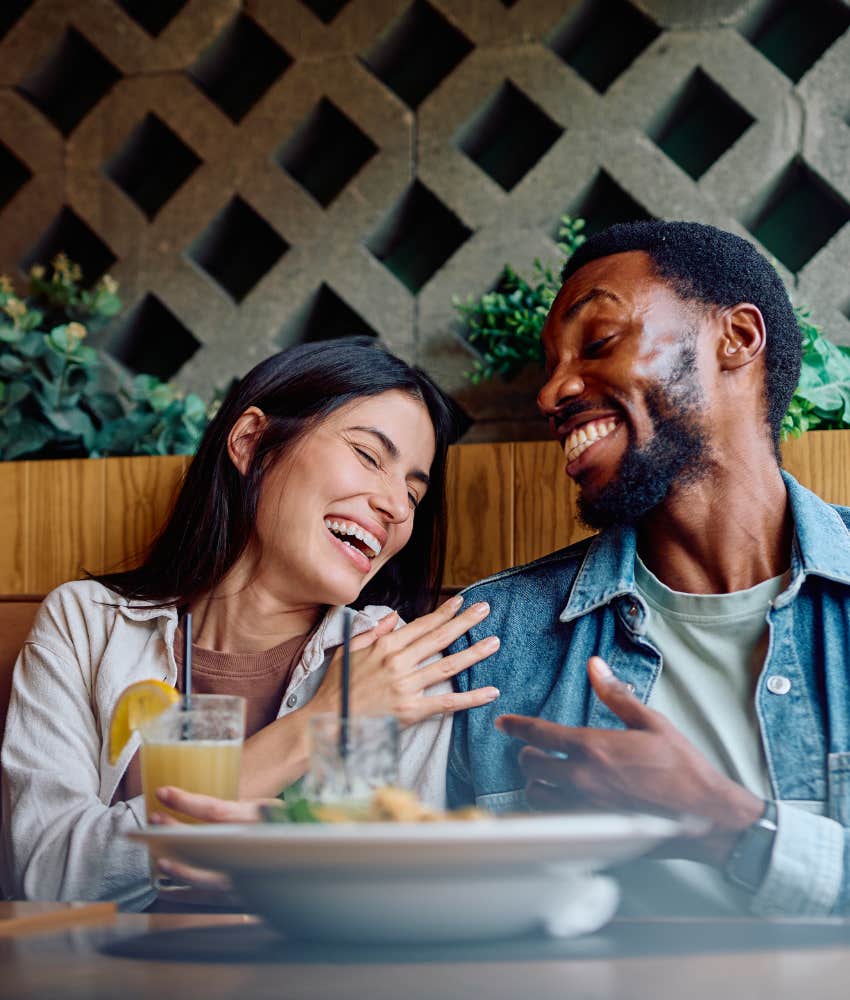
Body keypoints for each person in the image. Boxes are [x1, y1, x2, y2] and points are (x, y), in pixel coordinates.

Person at [0, 338, 499, 909]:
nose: (397, 507)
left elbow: (396, 894)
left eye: (414, 491)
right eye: (367, 455)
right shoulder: (87, 625)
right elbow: (43, 879)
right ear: (252, 441)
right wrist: (317, 725)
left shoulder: (395, 659)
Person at [447, 220, 850, 917]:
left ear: (738, 339)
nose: (550, 395)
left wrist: (727, 825)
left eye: (598, 342)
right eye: (550, 366)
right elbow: (413, 885)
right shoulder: (487, 644)